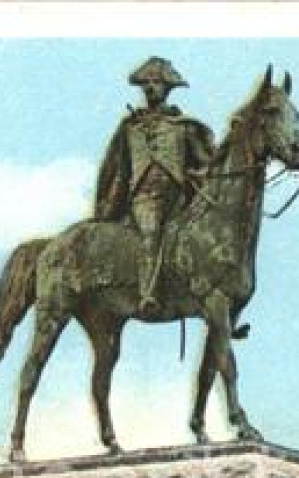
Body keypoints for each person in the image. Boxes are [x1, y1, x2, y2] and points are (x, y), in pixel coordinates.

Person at [94, 57, 215, 312]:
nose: (151, 87)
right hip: (144, 199)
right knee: (151, 232)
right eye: (146, 83)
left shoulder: (183, 127)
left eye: (157, 82)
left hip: (181, 199)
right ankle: (148, 294)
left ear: (167, 88)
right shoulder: (130, 128)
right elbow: (117, 169)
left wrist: (200, 173)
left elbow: (206, 163)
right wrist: (109, 205)